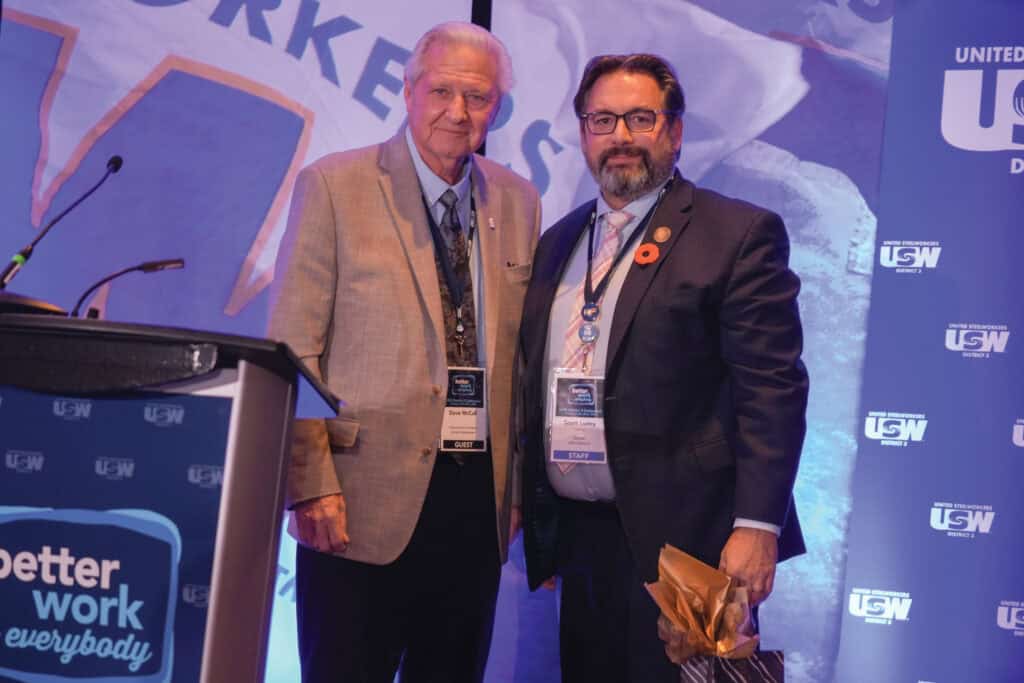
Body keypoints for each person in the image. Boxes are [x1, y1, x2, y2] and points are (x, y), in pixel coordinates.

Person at [518, 53, 808, 682]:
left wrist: (758, 526)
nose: (619, 136)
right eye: (602, 120)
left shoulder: (735, 233)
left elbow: (773, 390)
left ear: (674, 133)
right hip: (582, 541)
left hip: (692, 547)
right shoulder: (558, 242)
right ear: (583, 135)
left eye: (639, 118)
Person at [268, 21, 540, 683]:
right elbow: (292, 348)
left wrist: (518, 493)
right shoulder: (334, 185)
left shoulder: (519, 200)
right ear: (409, 90)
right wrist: (309, 484)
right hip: (356, 503)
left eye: (476, 97)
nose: (457, 111)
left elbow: (523, 360)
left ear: (495, 108)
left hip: (475, 506)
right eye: (441, 90)